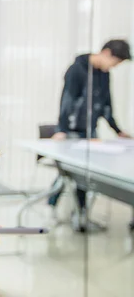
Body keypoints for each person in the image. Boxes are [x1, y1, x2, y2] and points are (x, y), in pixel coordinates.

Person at [48, 39, 131, 229]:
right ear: (107, 53)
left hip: (90, 132)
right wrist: (61, 129)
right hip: (71, 130)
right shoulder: (77, 69)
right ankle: (55, 207)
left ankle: (81, 213)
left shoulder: (104, 74)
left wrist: (117, 130)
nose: (114, 67)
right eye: (116, 62)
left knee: (85, 173)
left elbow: (106, 106)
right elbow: (67, 100)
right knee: (70, 172)